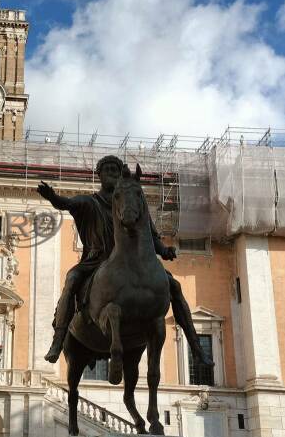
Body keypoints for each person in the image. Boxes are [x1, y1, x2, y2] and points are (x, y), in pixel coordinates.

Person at [38, 155, 211, 366]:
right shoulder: (88, 202)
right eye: (107, 169)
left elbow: (151, 236)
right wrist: (52, 196)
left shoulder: (133, 202)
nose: (111, 172)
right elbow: (65, 203)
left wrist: (165, 251)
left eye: (115, 169)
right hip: (97, 260)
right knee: (72, 278)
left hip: (133, 263)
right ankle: (57, 340)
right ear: (99, 175)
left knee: (173, 285)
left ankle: (196, 347)